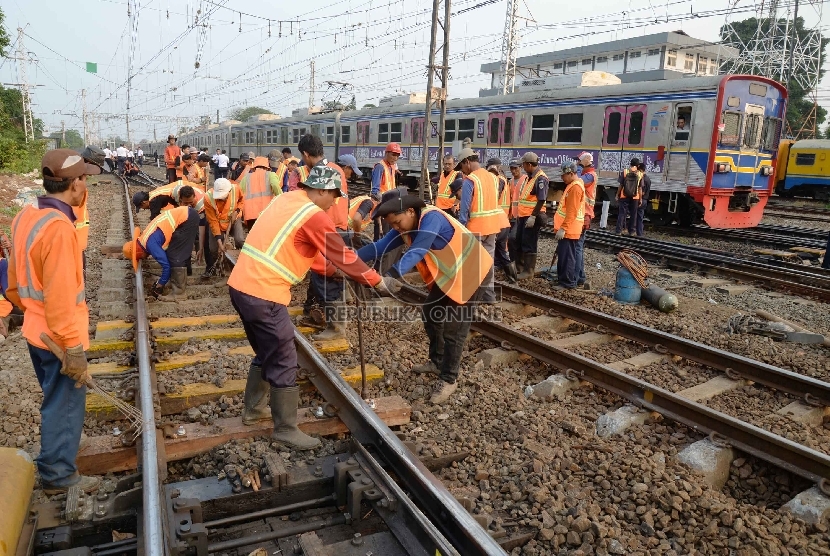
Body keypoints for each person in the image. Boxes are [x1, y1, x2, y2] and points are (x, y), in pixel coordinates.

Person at [227, 165, 400, 448]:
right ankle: (285, 428)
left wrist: (332, 271)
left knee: (266, 349)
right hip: (264, 293)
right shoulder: (313, 215)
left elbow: (302, 249)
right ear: (320, 190)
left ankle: (252, 411)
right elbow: (343, 255)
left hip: (242, 287)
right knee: (284, 356)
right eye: (333, 195)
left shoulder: (286, 200)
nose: (334, 202)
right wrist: (377, 281)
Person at [5, 149, 101, 494]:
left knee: (55, 398)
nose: (86, 185)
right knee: (64, 402)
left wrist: (28, 311)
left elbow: (14, 282)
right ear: (74, 184)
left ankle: (59, 452)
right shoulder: (60, 229)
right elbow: (60, 297)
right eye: (84, 179)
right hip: (58, 336)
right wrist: (72, 346)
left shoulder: (27, 215)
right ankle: (59, 474)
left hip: (36, 330)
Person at [356, 190, 491, 404]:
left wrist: (391, 276)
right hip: (453, 274)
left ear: (410, 211)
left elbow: (417, 251)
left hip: (474, 271)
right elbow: (379, 247)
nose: (396, 228)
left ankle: (449, 379)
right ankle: (437, 362)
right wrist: (347, 260)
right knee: (430, 313)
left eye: (398, 223)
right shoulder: (406, 225)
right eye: (392, 225)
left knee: (454, 329)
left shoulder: (432, 219)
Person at [296, 135, 350, 341]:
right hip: (341, 227)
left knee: (327, 278)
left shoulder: (318, 172)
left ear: (306, 154)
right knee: (329, 275)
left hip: (326, 230)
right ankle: (321, 314)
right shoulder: (337, 168)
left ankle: (336, 328)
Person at [456, 149, 510, 304]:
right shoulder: (493, 178)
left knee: (471, 264)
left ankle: (469, 298)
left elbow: (464, 209)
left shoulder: (470, 180)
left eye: (461, 166)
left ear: (467, 162)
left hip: (475, 229)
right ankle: (488, 296)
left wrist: (462, 228)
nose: (462, 171)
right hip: (492, 228)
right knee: (488, 263)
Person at [122, 206, 200, 300]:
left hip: (187, 218)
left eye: (139, 257)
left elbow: (166, 266)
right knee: (172, 252)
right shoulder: (144, 238)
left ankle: (179, 294)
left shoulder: (150, 244)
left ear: (138, 252)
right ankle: (175, 280)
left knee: (175, 256)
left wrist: (160, 284)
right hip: (187, 214)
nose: (143, 258)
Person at [512, 152, 548, 280]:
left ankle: (528, 270)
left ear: (528, 164)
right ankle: (520, 268)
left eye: (523, 165)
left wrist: (533, 216)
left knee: (529, 243)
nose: (522, 167)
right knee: (520, 241)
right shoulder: (530, 177)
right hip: (523, 216)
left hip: (531, 217)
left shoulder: (540, 178)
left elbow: (541, 199)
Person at [552, 161, 585, 290]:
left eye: (563, 175)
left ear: (571, 173)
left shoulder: (575, 188)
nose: (561, 177)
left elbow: (572, 211)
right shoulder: (573, 185)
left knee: (567, 257)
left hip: (569, 230)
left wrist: (563, 228)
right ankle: (562, 280)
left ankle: (567, 283)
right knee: (564, 255)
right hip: (569, 229)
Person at [487, 158, 518, 283]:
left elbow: (494, 196)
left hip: (497, 219)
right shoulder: (503, 178)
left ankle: (487, 277)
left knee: (491, 247)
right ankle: (512, 277)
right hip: (502, 219)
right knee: (501, 250)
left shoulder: (498, 179)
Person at [205, 177, 246, 262]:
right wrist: (220, 243)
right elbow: (213, 221)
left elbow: (242, 201)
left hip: (234, 219)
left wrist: (237, 211)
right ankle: (219, 267)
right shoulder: (208, 198)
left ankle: (244, 260)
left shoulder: (235, 189)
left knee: (240, 240)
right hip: (218, 223)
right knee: (213, 248)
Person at [239, 156, 281, 228]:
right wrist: (280, 197)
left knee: (253, 236)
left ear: (254, 167)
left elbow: (239, 192)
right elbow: (275, 185)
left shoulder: (247, 177)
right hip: (267, 212)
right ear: (266, 166)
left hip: (250, 213)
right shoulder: (270, 175)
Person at [575, 152, 596, 287]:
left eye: (579, 161)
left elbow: (576, 181)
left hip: (584, 215)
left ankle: (577, 278)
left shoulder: (590, 176)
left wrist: (579, 167)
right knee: (579, 248)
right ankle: (581, 276)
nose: (577, 163)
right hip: (583, 214)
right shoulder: (587, 174)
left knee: (577, 248)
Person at [507, 159, 527, 264]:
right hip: (511, 215)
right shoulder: (510, 181)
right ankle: (513, 261)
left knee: (513, 239)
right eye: (511, 168)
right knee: (511, 240)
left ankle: (518, 261)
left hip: (520, 215)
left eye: (516, 168)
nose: (513, 171)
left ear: (521, 168)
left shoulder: (525, 180)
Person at [616, 157, 642, 235]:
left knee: (622, 213)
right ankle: (632, 231)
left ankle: (618, 231)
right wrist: (640, 199)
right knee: (633, 214)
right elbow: (640, 188)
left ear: (630, 164)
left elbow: (620, 185)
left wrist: (617, 194)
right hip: (635, 197)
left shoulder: (625, 172)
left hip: (624, 195)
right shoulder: (640, 174)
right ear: (638, 165)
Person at [636, 162, 651, 237]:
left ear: (641, 170)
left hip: (641, 200)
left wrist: (639, 199)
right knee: (640, 217)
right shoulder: (648, 179)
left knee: (636, 216)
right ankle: (640, 233)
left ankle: (636, 232)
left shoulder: (643, 179)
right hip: (645, 200)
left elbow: (642, 191)